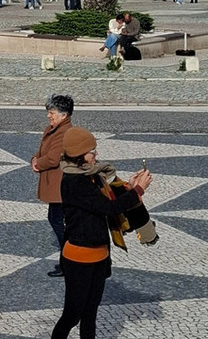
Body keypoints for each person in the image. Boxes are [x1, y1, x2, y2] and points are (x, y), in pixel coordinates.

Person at [51, 127, 152, 339]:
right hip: (79, 258)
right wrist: (138, 191)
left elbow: (110, 200)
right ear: (78, 155)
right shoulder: (74, 181)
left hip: (99, 255)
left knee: (90, 313)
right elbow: (107, 208)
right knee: (72, 314)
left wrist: (129, 187)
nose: (95, 154)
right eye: (91, 151)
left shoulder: (92, 175)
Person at [32, 94, 74, 277]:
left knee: (58, 221)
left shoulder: (63, 132)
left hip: (59, 186)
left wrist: (37, 164)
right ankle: (68, 259)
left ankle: (69, 261)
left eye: (52, 112)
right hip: (54, 184)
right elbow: (42, 151)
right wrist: (34, 158)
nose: (49, 116)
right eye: (48, 112)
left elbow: (53, 158)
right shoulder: (53, 129)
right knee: (55, 219)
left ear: (63, 115)